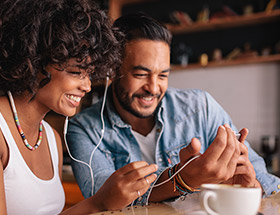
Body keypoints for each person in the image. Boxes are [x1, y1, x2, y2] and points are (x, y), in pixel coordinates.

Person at [66, 13, 280, 205]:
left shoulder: (201, 107)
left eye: (163, 75)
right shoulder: (84, 128)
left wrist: (251, 187)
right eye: (141, 75)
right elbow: (103, 196)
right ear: (111, 69)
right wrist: (182, 178)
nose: (153, 88)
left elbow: (262, 174)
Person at [0, 2, 158, 214]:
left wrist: (102, 201)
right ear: (34, 62)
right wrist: (98, 203)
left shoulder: (51, 138)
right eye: (76, 72)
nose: (87, 86)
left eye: (90, 74)